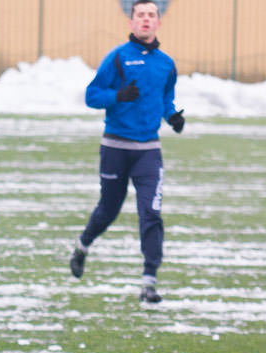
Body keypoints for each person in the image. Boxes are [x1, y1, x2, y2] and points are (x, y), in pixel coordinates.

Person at [70, 0, 183, 303]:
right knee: (109, 209)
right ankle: (83, 245)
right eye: (140, 15)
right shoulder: (117, 58)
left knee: (151, 213)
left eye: (151, 15)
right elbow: (92, 96)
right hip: (116, 147)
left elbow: (166, 99)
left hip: (149, 151)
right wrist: (117, 96)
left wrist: (172, 116)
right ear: (131, 22)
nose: (146, 20)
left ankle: (149, 282)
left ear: (158, 22)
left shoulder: (166, 64)